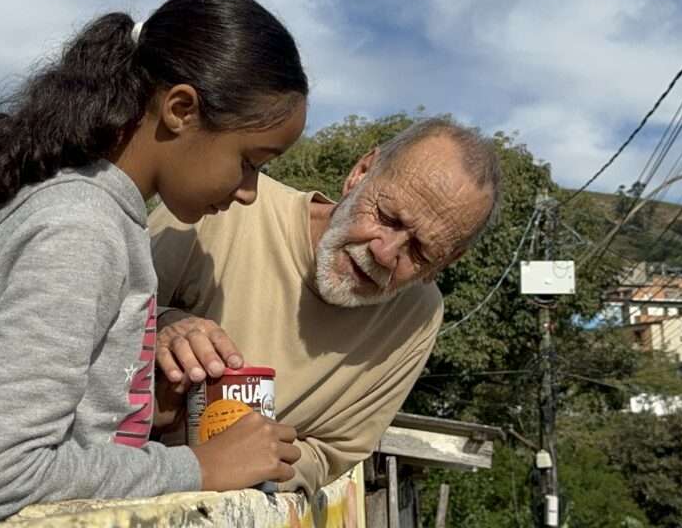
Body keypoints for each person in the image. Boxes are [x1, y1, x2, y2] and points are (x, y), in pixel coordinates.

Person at [0, 0, 309, 527]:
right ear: (180, 109)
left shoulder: (100, 218)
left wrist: (129, 406)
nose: (250, 191)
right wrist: (198, 467)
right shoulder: (79, 230)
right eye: (250, 161)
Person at [150, 117, 500, 493]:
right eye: (387, 217)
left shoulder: (418, 317)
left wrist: (259, 468)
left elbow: (331, 452)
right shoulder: (224, 205)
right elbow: (96, 320)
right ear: (360, 173)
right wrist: (164, 326)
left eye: (420, 251)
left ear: (446, 262)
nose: (385, 253)